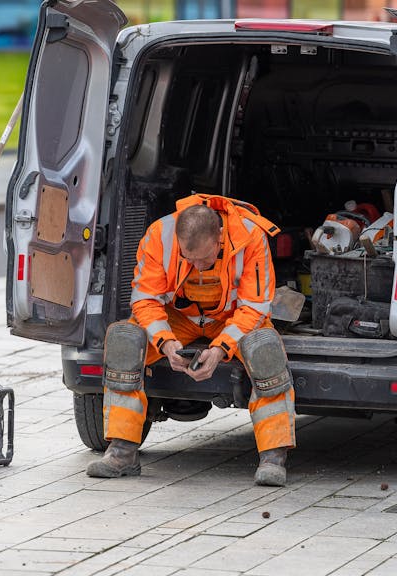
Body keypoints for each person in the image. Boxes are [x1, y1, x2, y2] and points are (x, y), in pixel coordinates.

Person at [87, 194, 296, 486]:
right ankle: (122, 452)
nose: (197, 266)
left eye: (205, 258)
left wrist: (222, 348)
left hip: (231, 317)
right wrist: (165, 341)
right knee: (124, 339)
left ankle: (273, 457)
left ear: (220, 237)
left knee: (265, 349)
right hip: (179, 319)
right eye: (189, 258)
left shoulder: (250, 236)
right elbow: (145, 299)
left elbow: (255, 306)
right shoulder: (160, 235)